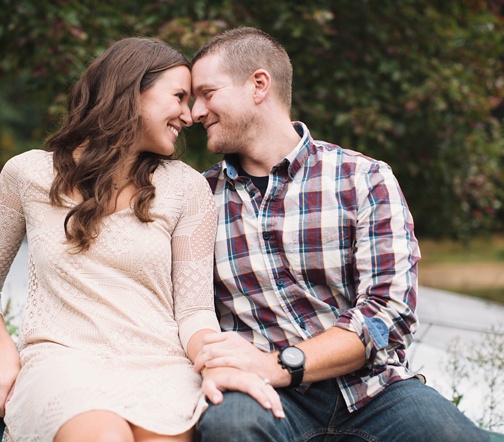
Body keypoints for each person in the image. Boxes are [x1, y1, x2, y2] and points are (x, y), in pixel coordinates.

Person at [0, 37, 278, 442]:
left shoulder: (186, 188)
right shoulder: (27, 175)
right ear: (132, 90)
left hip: (161, 369)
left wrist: (213, 361)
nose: (189, 115)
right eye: (179, 97)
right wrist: (1, 349)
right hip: (62, 363)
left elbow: (194, 311)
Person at [190, 27, 489, 441]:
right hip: (262, 395)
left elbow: (389, 312)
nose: (194, 111)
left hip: (372, 392)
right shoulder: (198, 198)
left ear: (259, 85)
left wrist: (281, 364)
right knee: (230, 428)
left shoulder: (363, 178)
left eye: (207, 93)